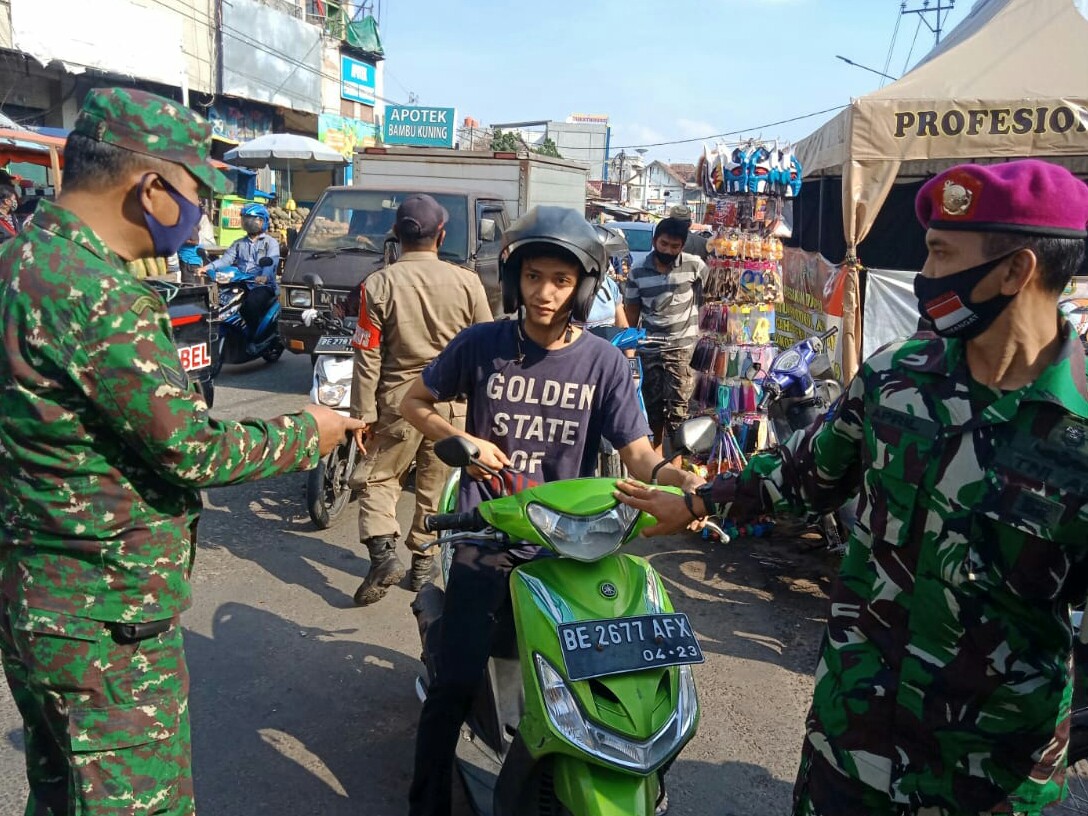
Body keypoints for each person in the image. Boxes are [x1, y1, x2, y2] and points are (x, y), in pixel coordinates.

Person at [616, 158, 1088, 816]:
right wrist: (693, 502)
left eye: (942, 255)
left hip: (990, 781)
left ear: (1016, 271)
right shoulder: (898, 377)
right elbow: (806, 474)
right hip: (851, 742)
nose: (925, 279)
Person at [0, 87, 364, 816]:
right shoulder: (93, 292)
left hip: (36, 595)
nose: (198, 212)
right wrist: (310, 433)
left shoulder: (18, 259)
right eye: (196, 192)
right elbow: (190, 450)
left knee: (61, 793)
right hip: (107, 614)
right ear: (151, 187)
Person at [399, 206, 704, 816]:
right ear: (514, 278)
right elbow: (414, 400)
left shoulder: (605, 364)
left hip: (570, 546)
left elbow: (639, 456)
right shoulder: (482, 344)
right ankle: (427, 801)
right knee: (454, 681)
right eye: (534, 276)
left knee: (625, 683)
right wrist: (458, 439)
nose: (545, 293)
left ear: (583, 287)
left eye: (561, 281)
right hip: (487, 534)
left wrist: (681, 484)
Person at [348, 194, 492, 606]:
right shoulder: (467, 281)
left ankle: (382, 555)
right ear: (441, 234)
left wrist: (363, 415)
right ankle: (422, 566)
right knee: (435, 486)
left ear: (395, 234)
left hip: (398, 402)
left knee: (378, 479)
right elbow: (485, 347)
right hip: (454, 408)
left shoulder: (378, 283)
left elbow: (367, 353)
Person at [623, 214, 709, 451]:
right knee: (651, 410)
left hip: (682, 350)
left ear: (682, 246)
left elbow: (712, 298)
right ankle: (655, 461)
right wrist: (628, 353)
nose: (668, 250)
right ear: (655, 242)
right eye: (664, 244)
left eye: (674, 246)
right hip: (648, 349)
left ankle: (676, 464)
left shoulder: (695, 266)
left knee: (679, 411)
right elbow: (631, 313)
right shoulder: (637, 271)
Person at [198, 202, 280, 332]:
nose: (248, 223)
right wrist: (207, 268)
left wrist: (264, 276)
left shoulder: (271, 243)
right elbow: (226, 259)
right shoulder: (239, 243)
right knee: (221, 301)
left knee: (250, 305)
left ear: (262, 221)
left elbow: (271, 262)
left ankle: (253, 335)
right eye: (246, 219)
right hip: (241, 282)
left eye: (252, 220)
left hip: (262, 285)